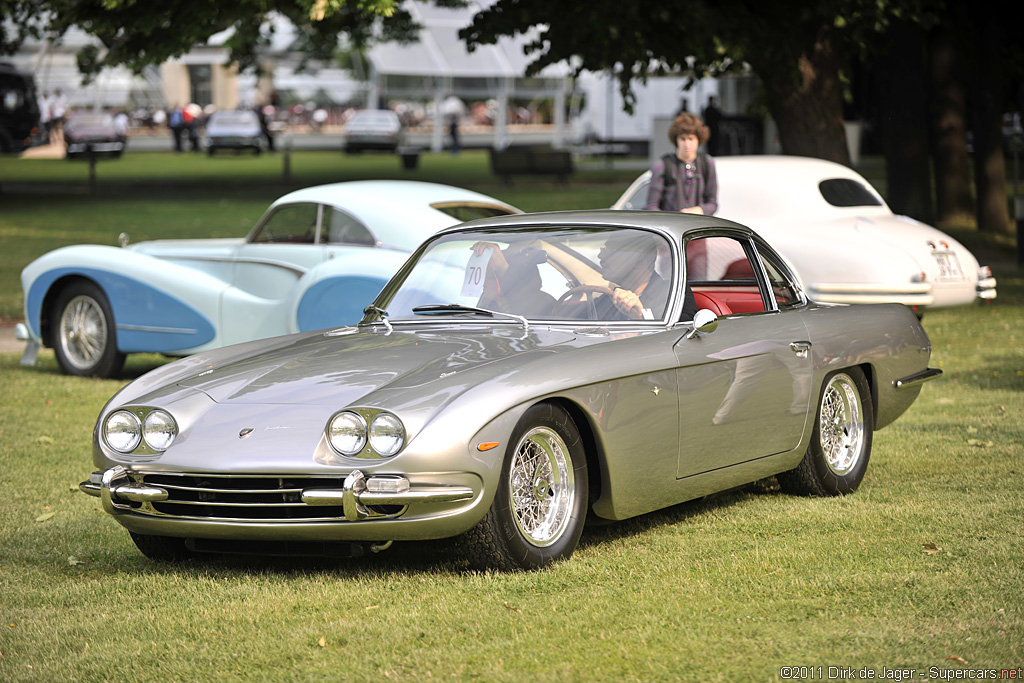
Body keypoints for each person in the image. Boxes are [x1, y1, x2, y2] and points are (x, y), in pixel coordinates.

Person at [644, 111, 718, 216]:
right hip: (670, 228)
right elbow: (651, 205)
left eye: (691, 139)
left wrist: (700, 210)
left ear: (699, 140)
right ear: (676, 140)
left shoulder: (707, 163)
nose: (687, 144)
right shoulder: (662, 165)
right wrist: (669, 220)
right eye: (682, 139)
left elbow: (713, 203)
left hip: (699, 227)